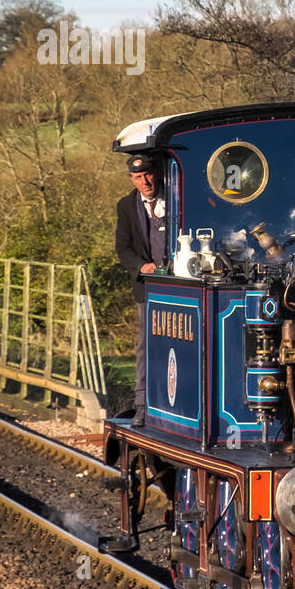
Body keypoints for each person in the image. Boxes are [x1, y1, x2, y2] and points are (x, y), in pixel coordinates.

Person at [115, 153, 167, 425]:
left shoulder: (176, 199)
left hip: (179, 286)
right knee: (145, 345)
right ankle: (143, 403)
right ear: (132, 179)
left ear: (155, 173)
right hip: (147, 289)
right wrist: (142, 266)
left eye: (147, 175)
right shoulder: (125, 206)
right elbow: (122, 250)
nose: (144, 181)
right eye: (138, 177)